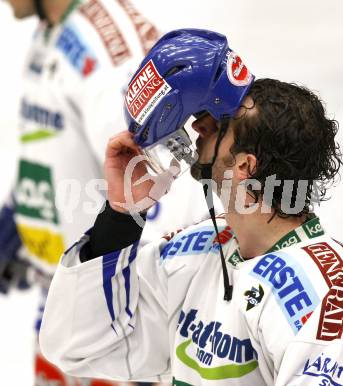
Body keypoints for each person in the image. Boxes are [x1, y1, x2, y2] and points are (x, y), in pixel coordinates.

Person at [39, 29, 343, 385]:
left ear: (245, 166)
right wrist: (121, 216)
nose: (199, 123)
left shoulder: (332, 290)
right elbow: (77, 345)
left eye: (221, 123)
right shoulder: (194, 252)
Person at [1, 2, 208, 385]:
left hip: (110, 321)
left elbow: (156, 186)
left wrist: (141, 334)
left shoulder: (108, 49)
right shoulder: (53, 27)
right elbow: (54, 141)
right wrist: (22, 216)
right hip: (70, 302)